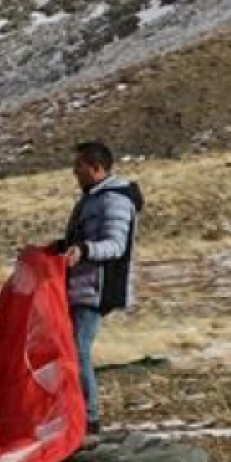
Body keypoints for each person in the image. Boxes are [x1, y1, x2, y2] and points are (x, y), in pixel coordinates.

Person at [49, 141, 143, 444]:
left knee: (78, 351)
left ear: (95, 167)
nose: (74, 172)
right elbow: (80, 239)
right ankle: (72, 412)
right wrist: (53, 250)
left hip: (95, 289)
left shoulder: (113, 201)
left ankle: (88, 419)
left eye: (79, 166)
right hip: (79, 287)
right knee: (68, 350)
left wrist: (84, 250)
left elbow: (116, 246)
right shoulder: (91, 199)